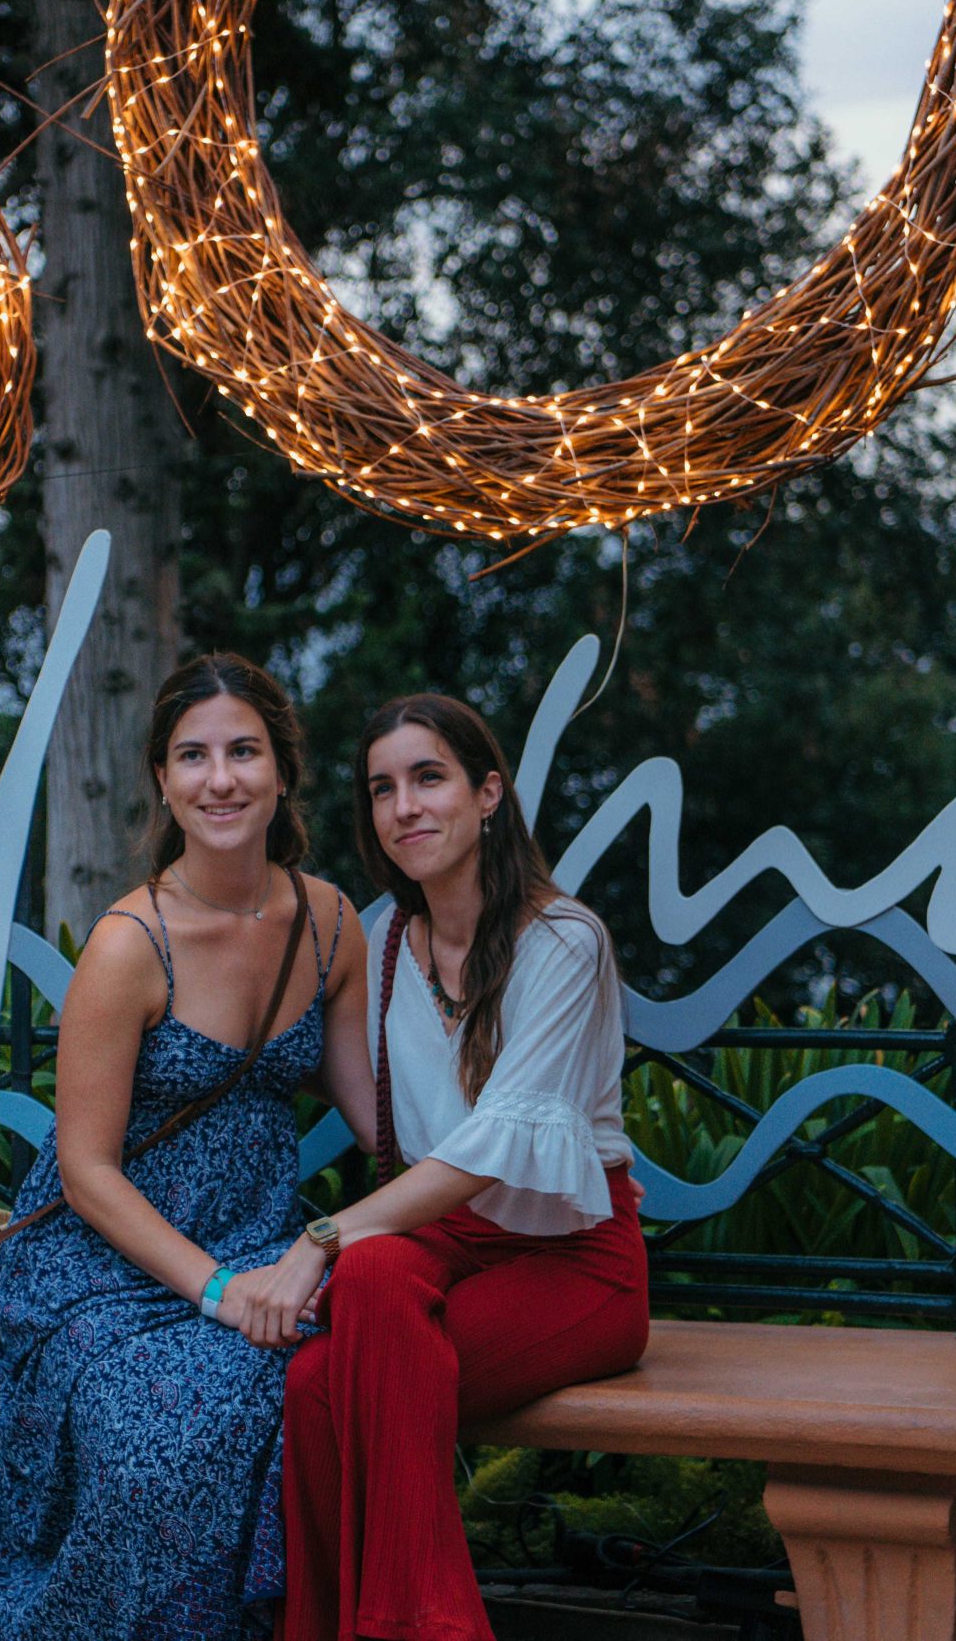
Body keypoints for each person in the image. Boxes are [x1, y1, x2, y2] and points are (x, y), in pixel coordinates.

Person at [0, 653, 375, 1641]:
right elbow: (86, 1170)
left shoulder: (329, 922)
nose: (220, 778)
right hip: (100, 1264)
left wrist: (499, 1139)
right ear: (162, 778)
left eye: (244, 751)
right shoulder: (129, 942)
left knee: (318, 1377)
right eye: (193, 755)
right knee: (158, 1433)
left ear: (282, 769)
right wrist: (219, 1290)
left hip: (260, 1242)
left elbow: (380, 1118)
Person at [264, 693, 651, 1641]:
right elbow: (379, 1110)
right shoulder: (388, 946)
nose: (403, 807)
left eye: (428, 777)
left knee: (321, 1390)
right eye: (382, 788)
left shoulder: (564, 941)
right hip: (447, 1245)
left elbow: (492, 1146)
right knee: (366, 1290)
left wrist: (321, 1237)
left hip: (576, 1262)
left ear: (488, 793)